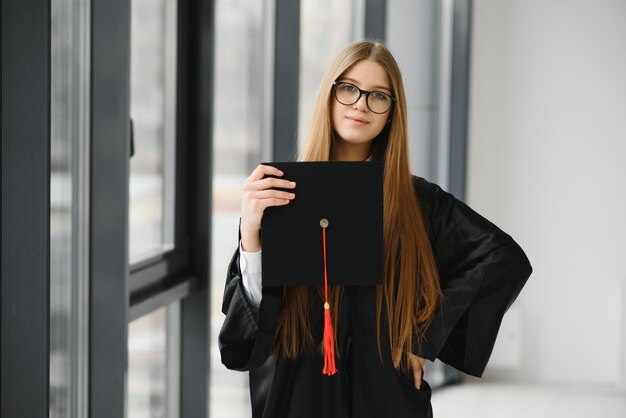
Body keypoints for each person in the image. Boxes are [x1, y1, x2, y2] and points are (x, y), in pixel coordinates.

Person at [219, 40, 532, 418]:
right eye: (349, 89)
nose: (361, 104)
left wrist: (424, 337)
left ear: (391, 113)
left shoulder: (416, 200)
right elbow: (247, 339)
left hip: (385, 396)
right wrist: (251, 233)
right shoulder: (285, 191)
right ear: (329, 96)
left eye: (378, 96)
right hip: (299, 393)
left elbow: (500, 257)